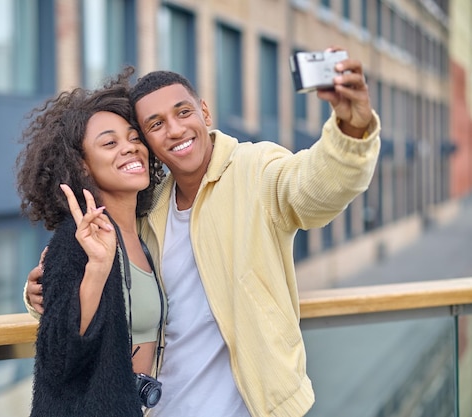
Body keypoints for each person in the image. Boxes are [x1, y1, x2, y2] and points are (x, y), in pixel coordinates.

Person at [24, 49, 381, 416]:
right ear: (149, 141)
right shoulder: (146, 210)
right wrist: (43, 290)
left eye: (183, 112)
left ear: (204, 112)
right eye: (156, 124)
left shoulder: (255, 171)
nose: (175, 129)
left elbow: (319, 186)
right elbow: (108, 301)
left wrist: (350, 130)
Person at [16, 68, 166, 417]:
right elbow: (59, 358)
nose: (129, 148)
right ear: (82, 166)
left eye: (134, 137)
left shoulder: (146, 231)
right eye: (110, 143)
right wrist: (98, 268)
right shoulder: (76, 241)